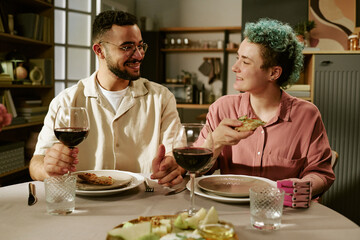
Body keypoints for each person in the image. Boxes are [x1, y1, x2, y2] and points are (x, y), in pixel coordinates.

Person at [29, 10, 185, 186]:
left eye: (140, 46)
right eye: (127, 47)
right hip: (86, 204)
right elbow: (36, 164)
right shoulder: (66, 101)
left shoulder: (162, 98)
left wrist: (174, 167)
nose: (139, 55)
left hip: (144, 200)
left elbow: (176, 157)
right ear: (99, 50)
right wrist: (47, 167)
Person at [198, 18, 335, 207]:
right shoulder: (221, 109)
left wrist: (305, 185)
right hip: (231, 212)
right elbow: (196, 171)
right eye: (238, 58)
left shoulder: (307, 116)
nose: (234, 67)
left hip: (282, 214)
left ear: (273, 73)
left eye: (245, 62)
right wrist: (216, 142)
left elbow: (321, 173)